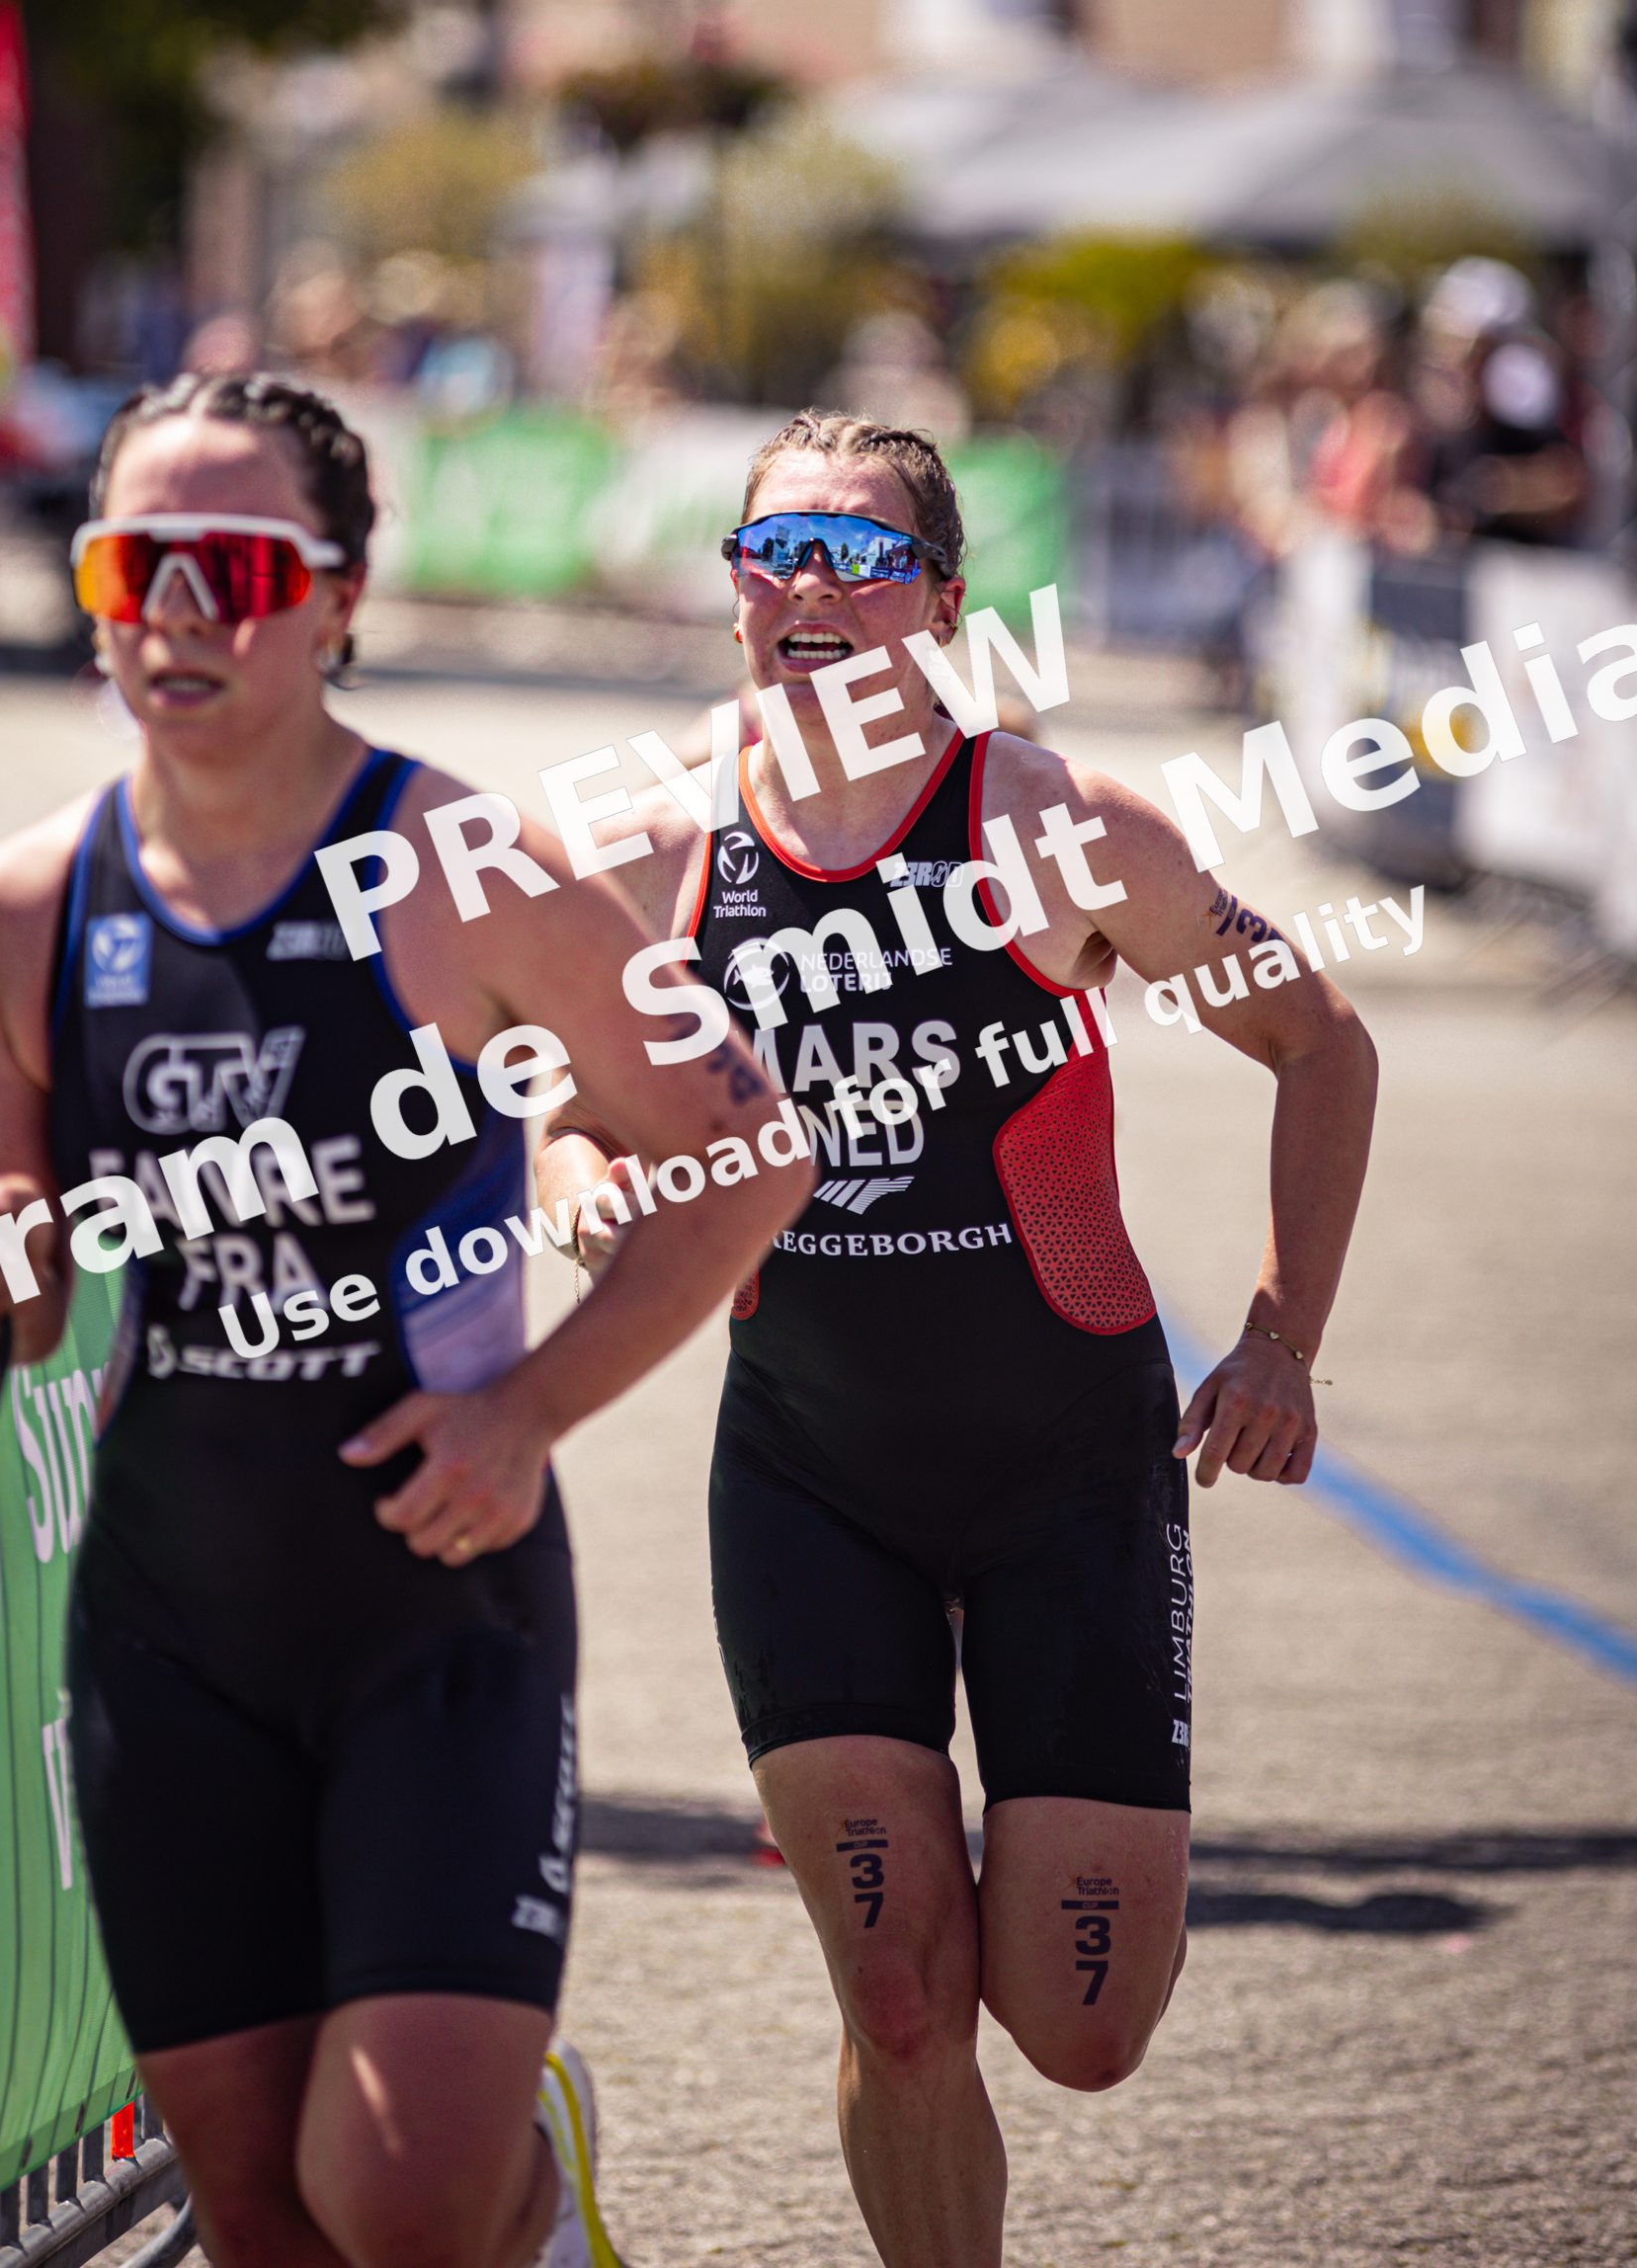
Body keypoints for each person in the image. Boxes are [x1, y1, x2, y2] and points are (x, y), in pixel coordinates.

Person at [0, 371, 809, 2268]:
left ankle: (524, 2205)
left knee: (395, 2202)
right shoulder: (16, 914)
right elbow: (21, 1305)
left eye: (234, 567)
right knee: (253, 2214)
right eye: (129, 564)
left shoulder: (461, 873)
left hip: (436, 1608)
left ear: (334, 599)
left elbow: (746, 1155)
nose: (177, 613)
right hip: (170, 1627)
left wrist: (531, 1412)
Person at [536, 411, 1377, 2268]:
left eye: (858, 557)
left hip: (1068, 1471)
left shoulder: (1054, 830)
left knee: (1077, 2031)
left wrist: (1278, 1339)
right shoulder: (659, 836)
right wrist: (582, 1165)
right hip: (808, 1474)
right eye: (775, 555)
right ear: (737, 589)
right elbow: (565, 1092)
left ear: (945, 599)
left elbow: (1322, 1041)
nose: (810, 592)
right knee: (902, 2001)